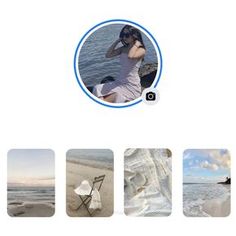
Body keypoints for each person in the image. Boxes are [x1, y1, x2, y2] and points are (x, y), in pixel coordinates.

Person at [92, 25, 146, 103]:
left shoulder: (141, 50)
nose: (124, 38)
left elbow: (131, 56)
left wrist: (136, 44)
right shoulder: (123, 48)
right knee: (97, 88)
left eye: (127, 35)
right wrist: (117, 41)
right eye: (122, 35)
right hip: (119, 81)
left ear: (135, 36)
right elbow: (108, 55)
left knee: (116, 96)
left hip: (131, 84)